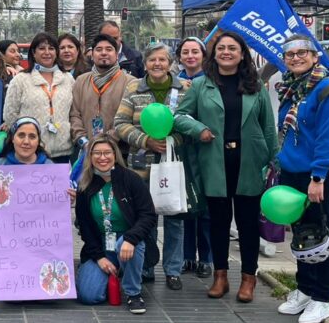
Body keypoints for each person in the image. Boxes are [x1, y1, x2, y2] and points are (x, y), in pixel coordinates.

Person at [173, 30, 277, 303]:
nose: (227, 52)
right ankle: (220, 276)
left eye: (232, 48)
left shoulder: (256, 86)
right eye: (221, 48)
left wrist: (273, 161)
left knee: (247, 224)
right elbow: (180, 117)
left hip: (249, 162)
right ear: (214, 54)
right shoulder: (201, 85)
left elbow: (268, 127)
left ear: (242, 54)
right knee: (217, 222)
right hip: (214, 163)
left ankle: (248, 279)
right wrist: (199, 129)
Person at [275, 34, 329, 323]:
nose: (295, 58)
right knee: (303, 233)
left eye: (301, 53)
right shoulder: (292, 89)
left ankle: (325, 296)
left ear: (315, 56)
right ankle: (306, 289)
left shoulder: (328, 90)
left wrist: (317, 176)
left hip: (318, 174)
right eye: (290, 54)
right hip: (293, 173)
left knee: (323, 232)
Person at [114, 42, 197, 291]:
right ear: (145, 63)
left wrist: (172, 141)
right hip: (140, 167)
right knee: (144, 218)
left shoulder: (185, 89)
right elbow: (120, 123)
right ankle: (147, 265)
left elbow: (193, 123)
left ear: (170, 62)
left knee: (174, 220)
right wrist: (146, 140)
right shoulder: (133, 89)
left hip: (173, 164)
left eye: (162, 59)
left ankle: (173, 270)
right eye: (152, 60)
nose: (157, 64)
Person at [74, 135, 157, 314]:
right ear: (90, 157)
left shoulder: (131, 179)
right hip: (101, 245)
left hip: (127, 241)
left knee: (126, 245)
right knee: (89, 296)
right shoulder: (85, 185)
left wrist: (131, 238)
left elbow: (148, 215)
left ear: (115, 154)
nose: (102, 158)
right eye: (97, 153)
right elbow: (85, 227)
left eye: (107, 153)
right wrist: (99, 257)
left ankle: (133, 293)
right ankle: (114, 272)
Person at [3, 33, 75, 162]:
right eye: (42, 48)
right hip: (31, 153)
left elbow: (74, 112)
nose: (47, 52)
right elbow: (10, 115)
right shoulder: (20, 80)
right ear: (33, 53)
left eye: (51, 48)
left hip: (62, 151)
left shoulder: (68, 79)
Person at [175, 36, 212, 278]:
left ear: (203, 56)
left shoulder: (211, 82)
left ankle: (207, 258)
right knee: (186, 205)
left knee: (207, 207)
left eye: (195, 52)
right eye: (185, 52)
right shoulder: (174, 83)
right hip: (181, 150)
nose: (190, 56)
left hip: (207, 148)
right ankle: (187, 256)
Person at [70, 33, 135, 159]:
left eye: (109, 49)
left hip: (119, 152)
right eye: (99, 50)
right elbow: (74, 115)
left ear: (117, 55)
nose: (104, 53)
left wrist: (106, 142)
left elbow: (129, 118)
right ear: (92, 55)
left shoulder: (130, 82)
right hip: (86, 151)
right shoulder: (80, 81)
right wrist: (83, 141)